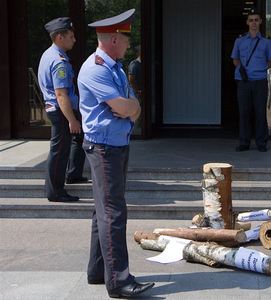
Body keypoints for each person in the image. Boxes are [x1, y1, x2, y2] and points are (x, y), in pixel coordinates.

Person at [77, 9, 154, 298]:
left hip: (115, 145)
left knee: (103, 211)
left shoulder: (116, 67)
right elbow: (125, 107)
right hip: (104, 148)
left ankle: (98, 271)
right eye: (125, 38)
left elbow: (131, 103)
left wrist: (128, 108)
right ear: (112, 39)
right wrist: (129, 108)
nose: (129, 44)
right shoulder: (96, 68)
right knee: (113, 212)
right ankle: (119, 281)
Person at [38, 17, 87, 203]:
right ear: (60, 37)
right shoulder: (59, 61)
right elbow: (61, 94)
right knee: (59, 150)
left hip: (59, 109)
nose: (74, 40)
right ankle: (55, 191)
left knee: (75, 140)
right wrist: (71, 120)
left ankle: (73, 174)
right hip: (60, 110)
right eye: (71, 36)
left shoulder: (49, 54)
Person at [231, 9, 271, 152]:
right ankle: (244, 142)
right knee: (244, 112)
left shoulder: (266, 42)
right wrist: (243, 70)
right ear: (247, 22)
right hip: (243, 81)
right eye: (251, 20)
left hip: (260, 81)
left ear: (260, 21)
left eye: (256, 20)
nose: (254, 23)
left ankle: (261, 143)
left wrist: (260, 70)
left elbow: (270, 61)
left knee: (260, 112)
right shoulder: (239, 41)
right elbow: (235, 59)